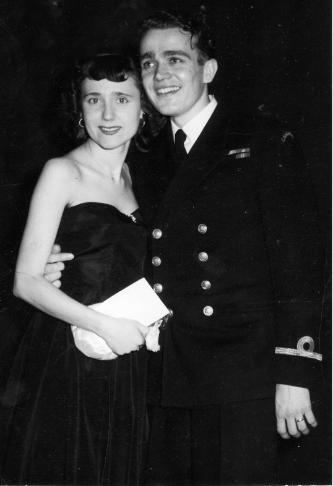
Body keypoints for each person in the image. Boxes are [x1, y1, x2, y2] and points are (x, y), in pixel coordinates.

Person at [45, 8, 325, 485]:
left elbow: (300, 267)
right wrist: (64, 265)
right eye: (149, 62)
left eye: (175, 59)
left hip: (244, 376)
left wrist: (294, 373)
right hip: (164, 371)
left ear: (208, 70)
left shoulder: (261, 138)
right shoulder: (147, 155)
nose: (160, 74)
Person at [1, 53, 152, 486]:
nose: (107, 114)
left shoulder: (137, 178)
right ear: (79, 110)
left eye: (122, 99)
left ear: (143, 108)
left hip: (125, 356)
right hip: (71, 351)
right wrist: (104, 325)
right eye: (94, 100)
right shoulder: (61, 172)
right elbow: (26, 280)